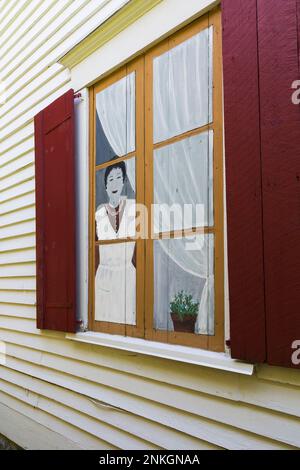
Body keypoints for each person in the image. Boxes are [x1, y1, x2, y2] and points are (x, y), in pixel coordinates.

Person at [94, 160, 136, 325]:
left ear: (125, 181)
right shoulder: (98, 215)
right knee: (105, 322)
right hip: (105, 277)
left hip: (127, 277)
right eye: (110, 179)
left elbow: (141, 250)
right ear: (105, 186)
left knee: (128, 322)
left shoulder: (134, 209)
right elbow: (94, 254)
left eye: (119, 177)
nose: (115, 183)